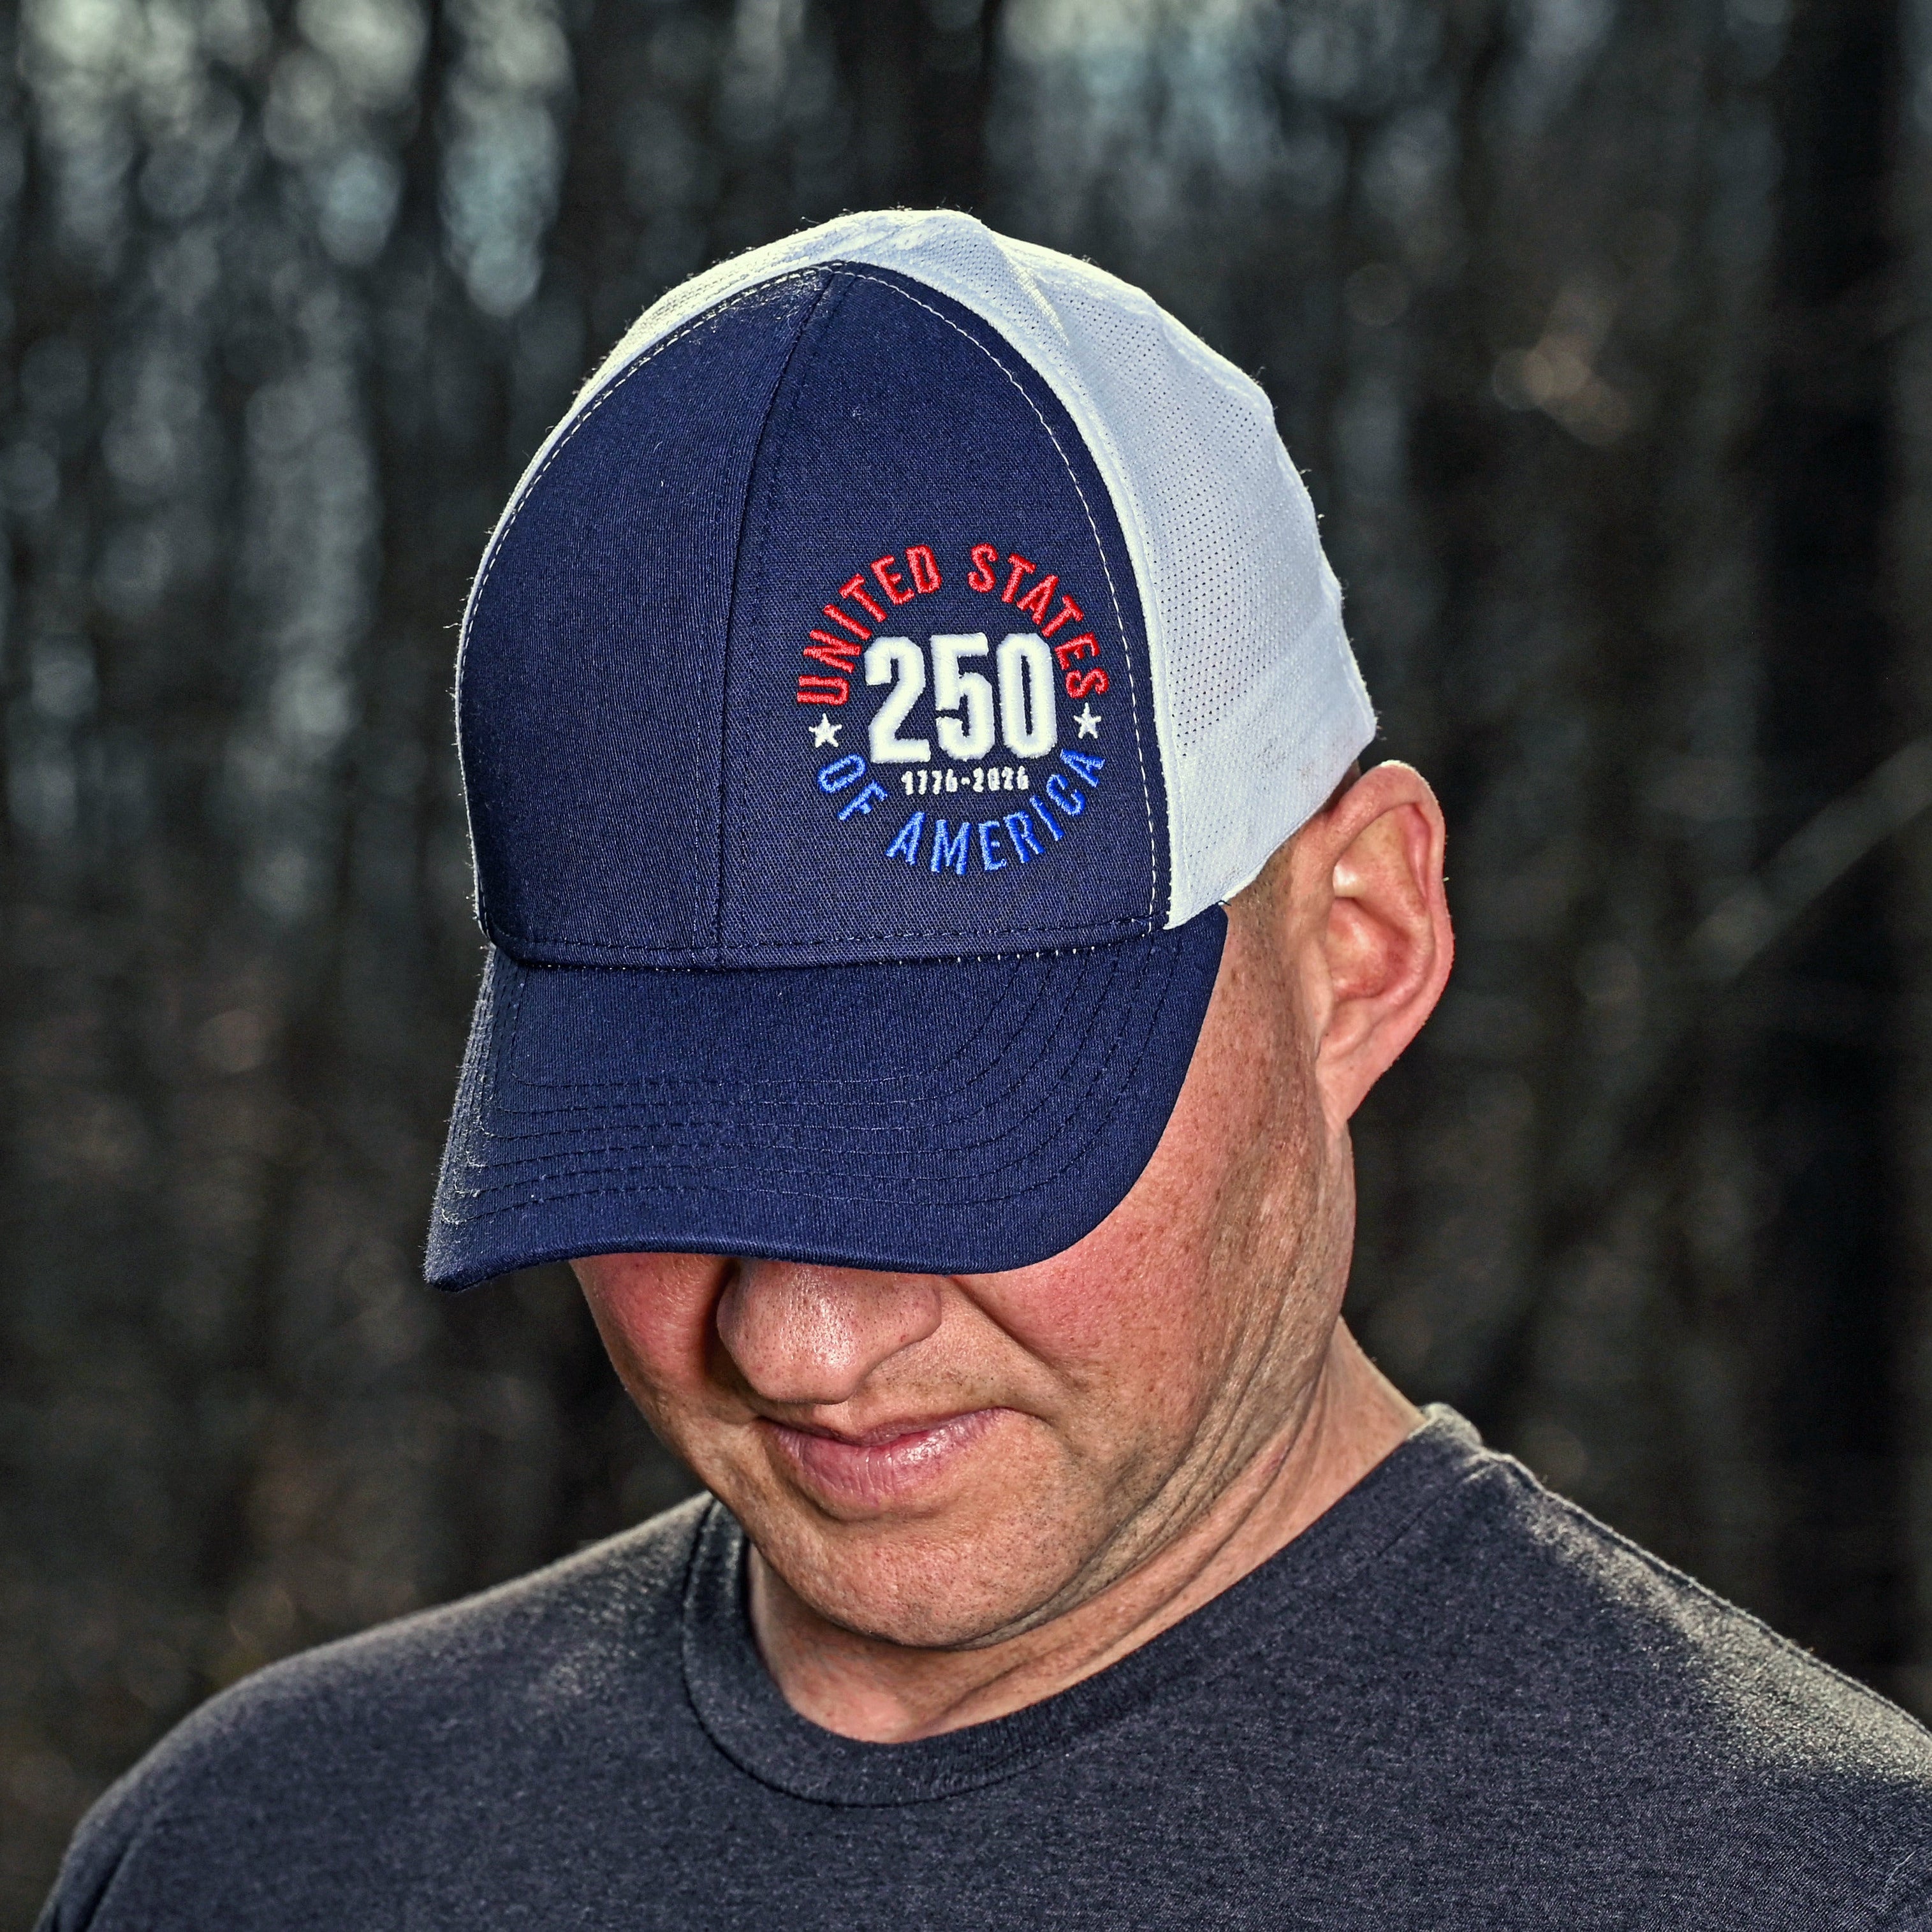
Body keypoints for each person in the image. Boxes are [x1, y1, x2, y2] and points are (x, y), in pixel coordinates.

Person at [37, 211, 1932, 1931]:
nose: (795, 1340)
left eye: (947, 1143)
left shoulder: (1809, 1891)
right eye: (661, 1146)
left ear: (1358, 945)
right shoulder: (250, 1858)